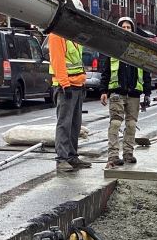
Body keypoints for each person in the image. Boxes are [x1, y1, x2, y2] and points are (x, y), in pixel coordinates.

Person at [100, 16, 151, 168]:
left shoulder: (139, 50)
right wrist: (104, 90)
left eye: (128, 27)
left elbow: (146, 72)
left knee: (131, 124)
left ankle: (128, 153)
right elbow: (106, 71)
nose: (126, 29)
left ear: (133, 30)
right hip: (117, 92)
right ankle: (113, 155)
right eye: (123, 26)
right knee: (115, 123)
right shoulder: (113, 48)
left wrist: (147, 93)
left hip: (134, 94)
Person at [48, 32, 90, 173]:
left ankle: (72, 156)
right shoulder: (57, 35)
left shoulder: (72, 36)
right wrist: (65, 84)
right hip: (66, 87)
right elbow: (58, 61)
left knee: (75, 124)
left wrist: (82, 81)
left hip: (77, 84)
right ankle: (62, 159)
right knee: (64, 123)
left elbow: (77, 60)